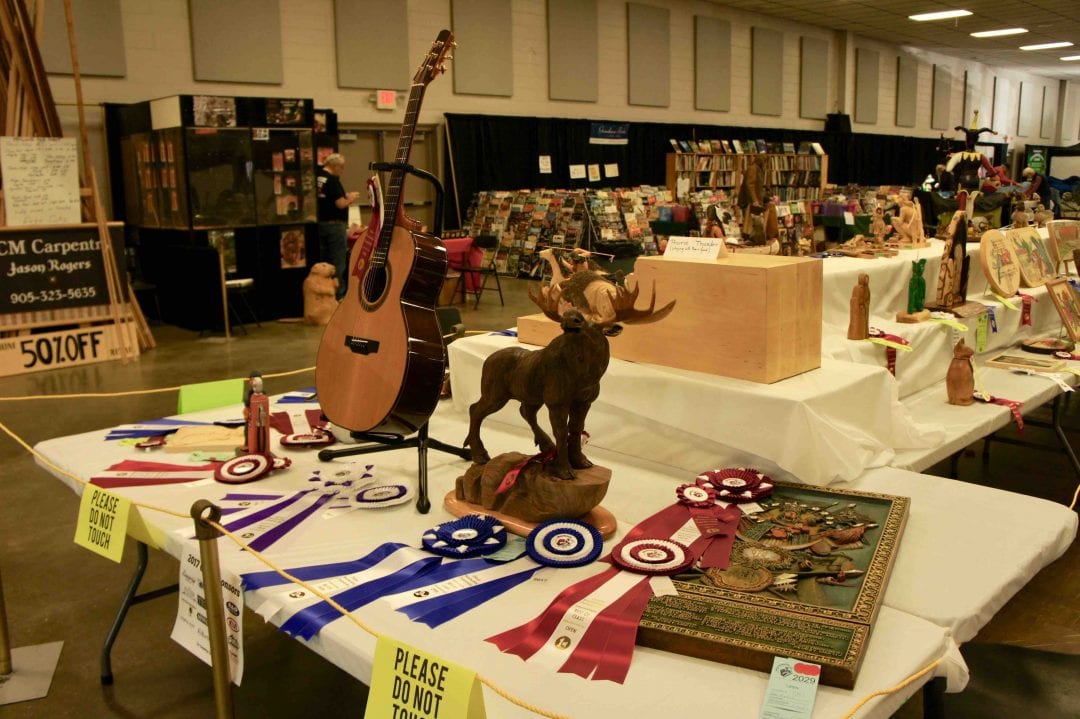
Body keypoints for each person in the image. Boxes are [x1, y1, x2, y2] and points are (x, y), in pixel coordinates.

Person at [317, 153, 360, 300]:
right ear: (335, 166)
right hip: (335, 226)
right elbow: (340, 203)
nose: (342, 171)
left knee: (325, 261)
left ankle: (326, 294)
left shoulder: (319, 178)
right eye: (341, 168)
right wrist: (351, 198)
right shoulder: (332, 180)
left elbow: (329, 198)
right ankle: (339, 296)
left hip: (321, 224)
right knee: (338, 262)